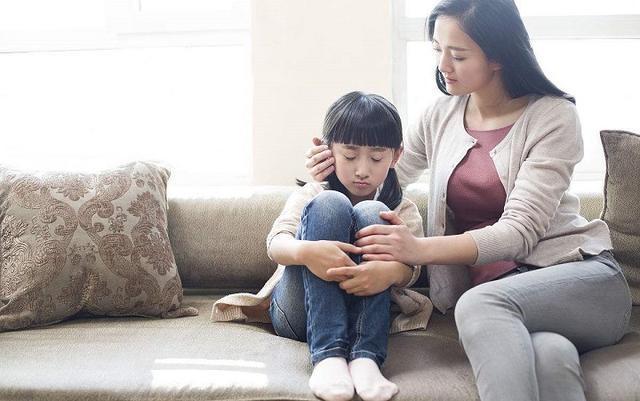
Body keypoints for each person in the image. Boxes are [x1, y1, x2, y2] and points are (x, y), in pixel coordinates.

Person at [304, 1, 633, 401]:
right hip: (514, 302)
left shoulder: (553, 117)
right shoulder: (439, 116)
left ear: (498, 55)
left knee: (479, 306)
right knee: (551, 355)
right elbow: (381, 183)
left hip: (582, 282)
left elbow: (519, 233)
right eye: (437, 50)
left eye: (457, 54)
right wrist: (330, 170)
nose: (443, 64)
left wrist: (418, 249)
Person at [212, 91, 432, 401]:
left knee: (372, 211)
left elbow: (414, 268)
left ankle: (365, 357)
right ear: (327, 151)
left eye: (377, 157)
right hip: (300, 313)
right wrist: (308, 252)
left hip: (363, 317)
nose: (362, 170)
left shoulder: (402, 208)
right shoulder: (313, 192)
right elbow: (276, 244)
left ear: (396, 156)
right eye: (350, 155)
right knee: (329, 202)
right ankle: (328, 356)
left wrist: (389, 272)